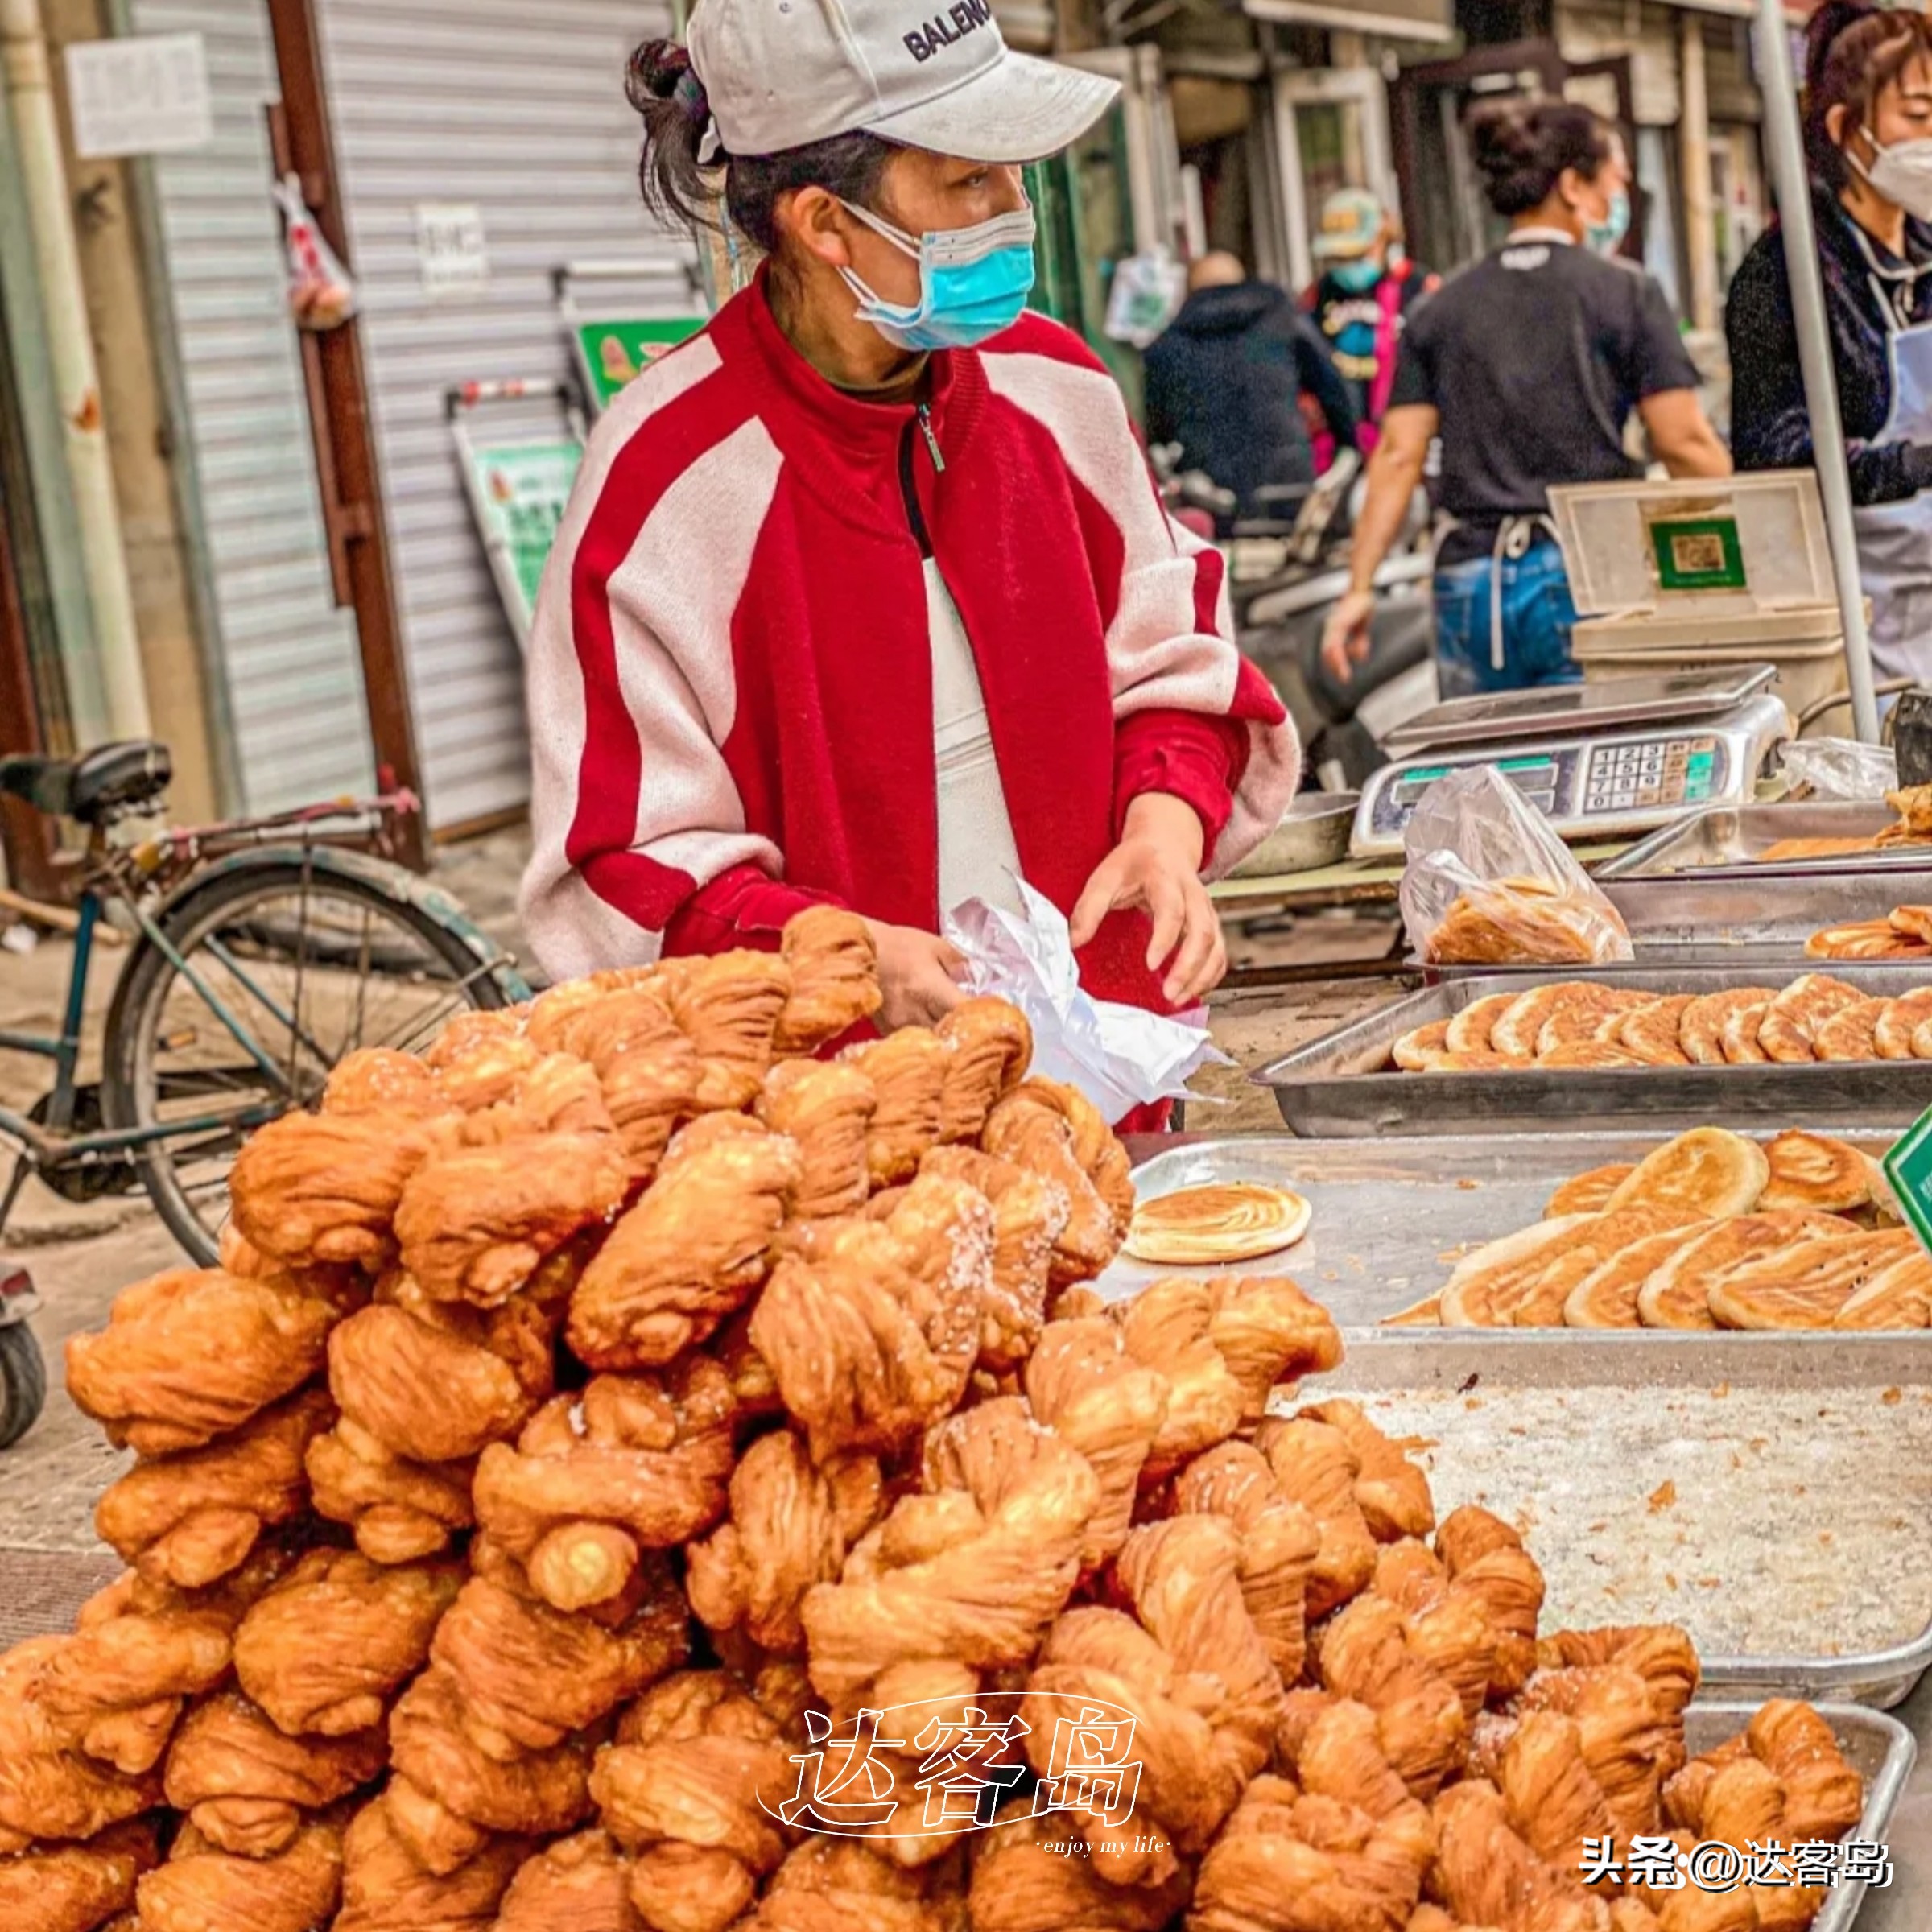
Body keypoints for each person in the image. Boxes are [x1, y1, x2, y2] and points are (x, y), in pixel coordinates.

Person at [519, 0, 1300, 1117]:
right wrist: (837, 956)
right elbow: (627, 866)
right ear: (824, 223)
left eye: (1013, 177)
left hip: (1109, 1092)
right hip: (837, 1144)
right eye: (970, 182)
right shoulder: (667, 482)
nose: (1013, 212)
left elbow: (1175, 657)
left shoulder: (1056, 387)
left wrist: (1164, 828)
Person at [1320, 101, 1730, 699]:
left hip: (1468, 580)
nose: (1622, 196)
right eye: (1615, 180)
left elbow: (1398, 456)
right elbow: (1683, 441)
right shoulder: (1625, 293)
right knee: (1591, 771)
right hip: (1584, 570)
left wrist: (1359, 587)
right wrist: (1749, 537)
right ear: (1572, 185)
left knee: (1481, 779)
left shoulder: (1439, 307)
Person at [1728, 2, 1932, 686]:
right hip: (1858, 628)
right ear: (1848, 128)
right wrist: (1911, 464)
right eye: (1920, 114)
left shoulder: (1927, 252)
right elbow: (1774, 454)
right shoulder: (1786, 272)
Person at [1142, 251, 1360, 528]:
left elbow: (1157, 435)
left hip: (1213, 501)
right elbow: (1335, 391)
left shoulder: (1166, 346)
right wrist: (1348, 446)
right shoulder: (1283, 319)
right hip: (1288, 490)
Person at [1305, 188, 1439, 454]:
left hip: (1407, 436)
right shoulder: (1318, 295)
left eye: (1356, 255)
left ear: (1382, 239)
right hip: (1343, 440)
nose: (1347, 265)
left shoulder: (1417, 287)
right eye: (1338, 258)